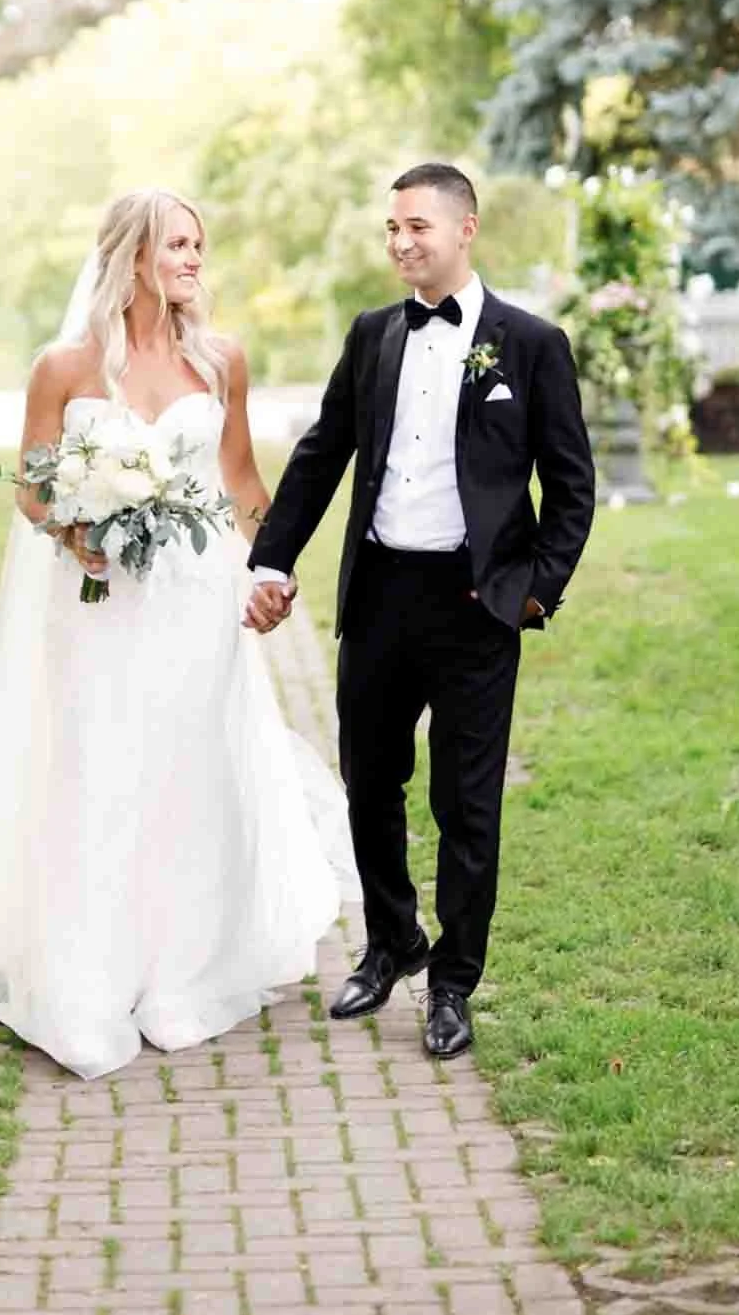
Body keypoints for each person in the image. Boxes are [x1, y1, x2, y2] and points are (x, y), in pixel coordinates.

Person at [0, 190, 356, 1080]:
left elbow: (240, 483)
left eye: (199, 245)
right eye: (178, 245)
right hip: (97, 608)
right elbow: (33, 488)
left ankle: (181, 972)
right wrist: (78, 531)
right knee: (97, 768)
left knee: (190, 770)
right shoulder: (63, 367)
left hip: (195, 603)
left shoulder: (221, 361)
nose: (193, 260)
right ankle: (87, 976)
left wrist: (274, 568)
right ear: (132, 257)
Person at [244, 162, 596, 1059]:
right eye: (391, 228)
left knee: (467, 803)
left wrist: (533, 590)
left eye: (418, 228)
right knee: (370, 782)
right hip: (381, 592)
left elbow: (572, 484)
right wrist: (274, 554)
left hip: (478, 605)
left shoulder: (530, 343)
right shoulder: (372, 337)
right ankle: (393, 938)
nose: (402, 242)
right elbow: (324, 451)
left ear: (466, 229)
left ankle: (452, 980)